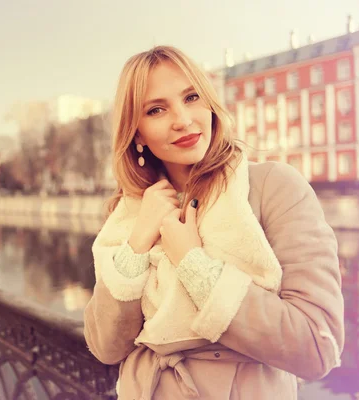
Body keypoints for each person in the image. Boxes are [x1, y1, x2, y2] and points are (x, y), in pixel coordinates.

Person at [83, 45, 344, 399]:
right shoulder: (130, 213)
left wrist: (195, 265)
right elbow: (105, 347)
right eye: (156, 109)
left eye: (191, 97)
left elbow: (317, 346)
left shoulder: (272, 187)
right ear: (137, 133)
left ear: (210, 103)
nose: (183, 119)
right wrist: (137, 244)